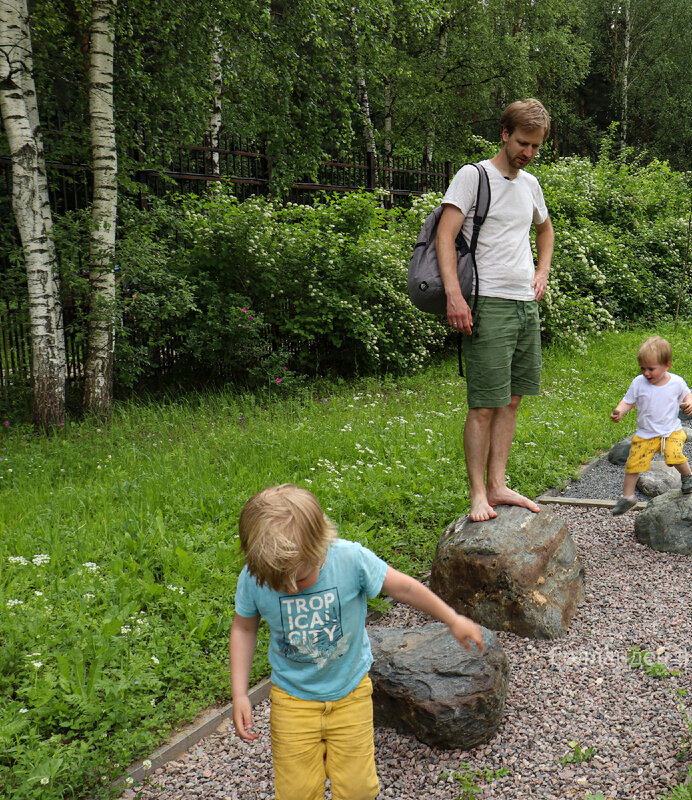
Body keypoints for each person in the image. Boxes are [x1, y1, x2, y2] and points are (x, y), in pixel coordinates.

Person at [229, 484, 483, 800]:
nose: (292, 589)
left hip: (351, 694)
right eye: (281, 584)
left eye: (301, 579)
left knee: (358, 789)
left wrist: (453, 619)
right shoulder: (255, 576)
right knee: (295, 792)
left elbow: (404, 588)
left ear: (321, 545)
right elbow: (243, 628)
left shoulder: (350, 560)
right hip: (292, 699)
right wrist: (240, 693)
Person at [436, 98, 555, 523]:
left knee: (511, 401)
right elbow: (445, 236)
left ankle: (499, 485)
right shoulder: (473, 176)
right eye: (523, 143)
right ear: (504, 134)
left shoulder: (531, 184)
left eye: (536, 146)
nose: (528, 152)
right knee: (484, 404)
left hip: (526, 305)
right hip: (486, 304)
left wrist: (542, 270)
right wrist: (454, 295)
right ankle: (477, 494)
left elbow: (545, 228)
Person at [609, 336, 692, 516]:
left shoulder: (676, 382)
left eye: (651, 369)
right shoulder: (638, 383)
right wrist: (619, 411)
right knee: (633, 464)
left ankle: (688, 477)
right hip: (646, 434)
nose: (646, 373)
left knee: (673, 456)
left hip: (670, 432)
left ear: (667, 365)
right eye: (643, 368)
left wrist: (689, 403)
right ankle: (628, 498)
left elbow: (687, 394)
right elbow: (628, 401)